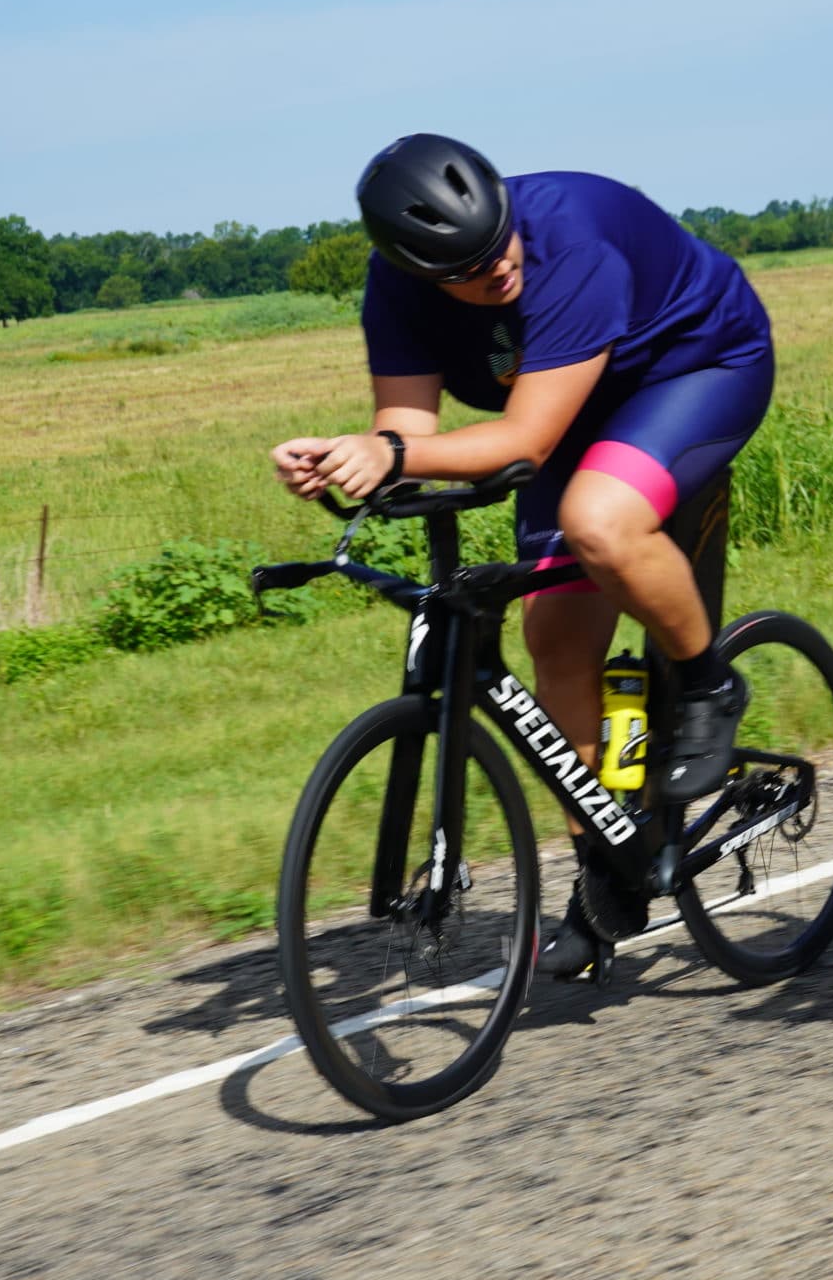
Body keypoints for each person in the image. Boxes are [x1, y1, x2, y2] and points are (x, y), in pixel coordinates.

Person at [269, 134, 775, 977]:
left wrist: (390, 457)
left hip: (695, 366)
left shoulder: (570, 241)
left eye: (500, 242)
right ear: (416, 270)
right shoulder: (394, 290)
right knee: (555, 641)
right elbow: (411, 432)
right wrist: (349, 455)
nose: (499, 268)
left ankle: (708, 681)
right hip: (570, 399)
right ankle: (604, 876)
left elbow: (526, 440)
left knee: (600, 522)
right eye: (468, 269)